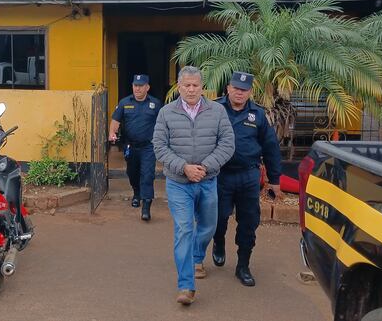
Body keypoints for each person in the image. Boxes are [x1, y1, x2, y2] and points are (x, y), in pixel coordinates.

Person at [152, 66, 235, 305]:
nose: (191, 89)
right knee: (184, 229)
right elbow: (159, 146)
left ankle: (197, 256)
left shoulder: (217, 111)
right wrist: (184, 167)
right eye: (186, 85)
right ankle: (186, 286)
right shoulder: (166, 113)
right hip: (178, 183)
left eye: (195, 85)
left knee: (209, 226)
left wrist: (205, 167)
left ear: (202, 87)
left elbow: (228, 143)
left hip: (208, 181)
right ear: (179, 87)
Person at [212, 71, 283, 287]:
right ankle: (218, 241)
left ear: (250, 92)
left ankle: (243, 265)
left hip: (248, 175)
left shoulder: (258, 115)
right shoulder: (215, 109)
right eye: (236, 88)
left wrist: (275, 178)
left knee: (249, 221)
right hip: (221, 174)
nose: (239, 93)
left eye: (244, 90)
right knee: (219, 216)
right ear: (228, 89)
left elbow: (270, 147)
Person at [109, 74, 162, 221]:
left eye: (140, 86)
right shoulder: (125, 103)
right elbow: (115, 120)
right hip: (130, 145)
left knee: (147, 174)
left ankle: (146, 206)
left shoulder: (156, 104)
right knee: (132, 172)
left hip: (148, 147)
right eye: (135, 85)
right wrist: (112, 132)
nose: (137, 88)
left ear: (147, 87)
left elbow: (163, 123)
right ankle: (136, 193)